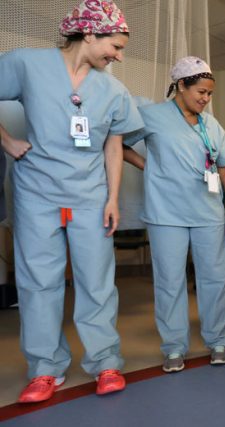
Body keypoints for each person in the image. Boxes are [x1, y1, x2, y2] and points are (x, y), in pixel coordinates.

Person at [0, 0, 144, 403]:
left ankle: (105, 361)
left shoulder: (113, 90)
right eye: (114, 46)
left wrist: (114, 198)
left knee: (96, 281)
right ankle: (45, 369)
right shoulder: (27, 64)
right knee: (37, 281)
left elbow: (113, 147)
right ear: (89, 32)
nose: (117, 56)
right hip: (37, 192)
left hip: (90, 195)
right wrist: (8, 142)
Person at [123, 56, 225, 373]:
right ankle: (174, 347)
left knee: (214, 279)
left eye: (209, 94)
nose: (205, 99)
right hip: (166, 214)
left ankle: (218, 341)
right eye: (200, 92)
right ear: (180, 86)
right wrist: (147, 166)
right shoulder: (151, 115)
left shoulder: (211, 124)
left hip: (208, 214)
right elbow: (119, 144)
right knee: (169, 281)